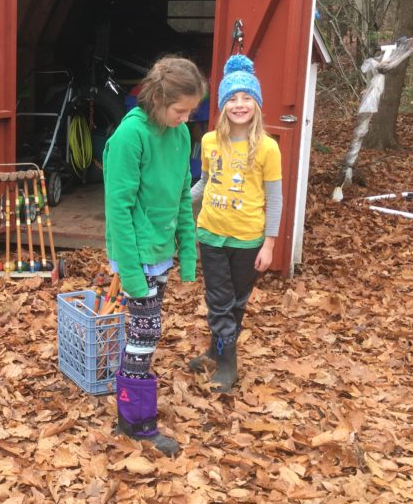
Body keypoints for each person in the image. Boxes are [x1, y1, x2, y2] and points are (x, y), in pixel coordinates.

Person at [103, 55, 207, 457]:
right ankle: (135, 421)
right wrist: (129, 273)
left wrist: (188, 254)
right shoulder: (131, 136)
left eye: (190, 111)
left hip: (162, 251)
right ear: (158, 98)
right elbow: (119, 209)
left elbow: (183, 195)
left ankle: (134, 410)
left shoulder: (180, 136)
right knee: (145, 333)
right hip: (136, 255)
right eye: (180, 110)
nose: (185, 117)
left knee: (145, 334)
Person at [188, 54, 282, 393]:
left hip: (248, 240)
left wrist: (269, 244)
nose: (239, 105)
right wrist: (182, 201)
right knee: (219, 301)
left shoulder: (268, 148)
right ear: (223, 104)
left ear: (256, 104)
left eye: (246, 98)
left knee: (237, 302)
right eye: (232, 98)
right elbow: (205, 182)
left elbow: (276, 199)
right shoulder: (210, 141)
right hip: (211, 234)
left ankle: (217, 350)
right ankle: (228, 365)